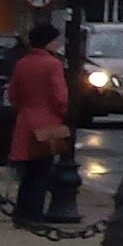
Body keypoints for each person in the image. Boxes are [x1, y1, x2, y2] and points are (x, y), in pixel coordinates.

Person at [9, 23, 68, 226]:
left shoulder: (22, 63)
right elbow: (60, 97)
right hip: (47, 122)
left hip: (25, 121)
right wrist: (62, 113)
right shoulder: (53, 64)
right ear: (48, 42)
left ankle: (22, 212)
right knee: (42, 170)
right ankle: (34, 214)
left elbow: (13, 95)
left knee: (28, 171)